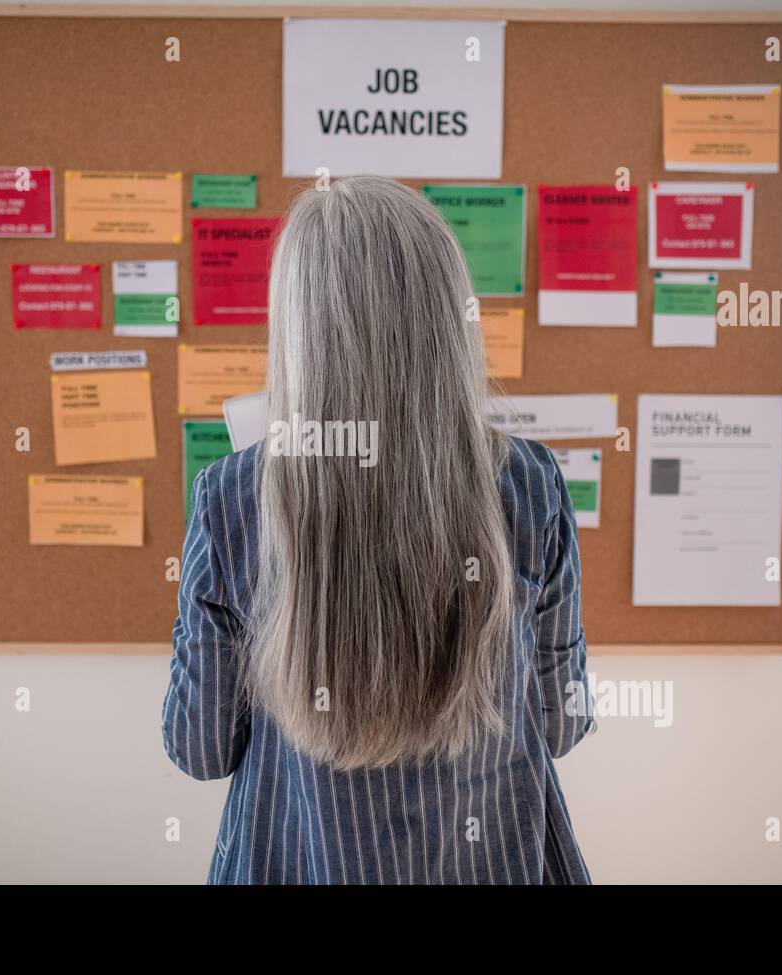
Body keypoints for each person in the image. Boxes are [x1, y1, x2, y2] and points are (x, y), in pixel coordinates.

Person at [162, 175, 594, 885]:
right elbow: (561, 722)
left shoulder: (231, 497)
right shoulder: (531, 484)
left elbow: (200, 746)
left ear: (298, 331)